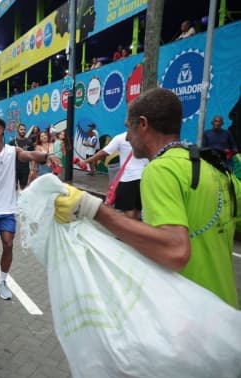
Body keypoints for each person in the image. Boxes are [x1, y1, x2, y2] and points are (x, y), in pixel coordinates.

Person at [54, 88, 240, 309]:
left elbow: (176, 250)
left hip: (187, 315)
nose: (128, 139)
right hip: (227, 314)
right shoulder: (216, 168)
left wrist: (93, 208)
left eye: (128, 129)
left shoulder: (159, 170)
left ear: (142, 124)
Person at [0, 117, 59, 300]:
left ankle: (2, 282)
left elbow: (30, 155)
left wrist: (47, 156)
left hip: (7, 208)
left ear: (0, 131)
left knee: (8, 243)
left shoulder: (13, 151)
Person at [79, 131, 148, 220]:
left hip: (128, 178)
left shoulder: (121, 137)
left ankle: (129, 231)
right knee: (138, 210)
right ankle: (137, 230)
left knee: (128, 211)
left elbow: (104, 152)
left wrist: (86, 161)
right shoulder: (147, 137)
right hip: (144, 178)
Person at [9, 123, 34, 190]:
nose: (23, 131)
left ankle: (22, 200)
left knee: (24, 187)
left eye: (24, 130)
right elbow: (9, 156)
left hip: (25, 169)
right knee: (14, 188)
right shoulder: (12, 142)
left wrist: (32, 169)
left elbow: (32, 157)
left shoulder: (29, 142)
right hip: (14, 168)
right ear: (18, 130)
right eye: (21, 129)